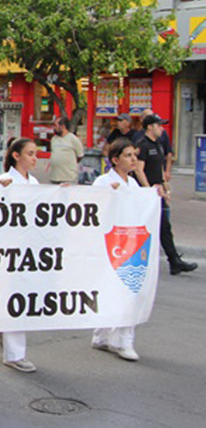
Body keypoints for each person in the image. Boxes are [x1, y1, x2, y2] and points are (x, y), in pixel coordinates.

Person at [90, 138, 146, 361]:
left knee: (128, 289)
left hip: (131, 244)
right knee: (110, 290)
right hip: (109, 244)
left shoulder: (132, 184)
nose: (133, 159)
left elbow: (143, 207)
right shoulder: (103, 182)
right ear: (115, 160)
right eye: (128, 155)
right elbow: (92, 210)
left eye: (134, 155)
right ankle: (105, 336)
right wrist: (108, 196)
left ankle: (120, 339)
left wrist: (155, 193)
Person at [0, 138, 40, 373]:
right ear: (16, 156)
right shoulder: (4, 181)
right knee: (15, 300)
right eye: (30, 153)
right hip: (8, 250)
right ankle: (14, 354)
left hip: (29, 249)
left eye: (35, 153)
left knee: (21, 299)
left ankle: (4, 333)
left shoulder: (33, 182)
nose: (34, 158)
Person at [135, 114, 197, 275]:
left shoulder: (159, 145)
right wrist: (148, 190)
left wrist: (165, 187)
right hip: (147, 195)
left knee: (164, 228)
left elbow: (160, 168)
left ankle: (174, 261)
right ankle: (167, 260)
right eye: (159, 125)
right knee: (149, 228)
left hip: (158, 193)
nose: (162, 128)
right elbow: (138, 169)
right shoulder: (143, 145)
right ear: (150, 127)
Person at [49, 116, 83, 184]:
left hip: (68, 178)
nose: (54, 128)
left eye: (56, 125)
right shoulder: (54, 139)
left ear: (62, 126)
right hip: (54, 177)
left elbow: (80, 156)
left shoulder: (73, 139)